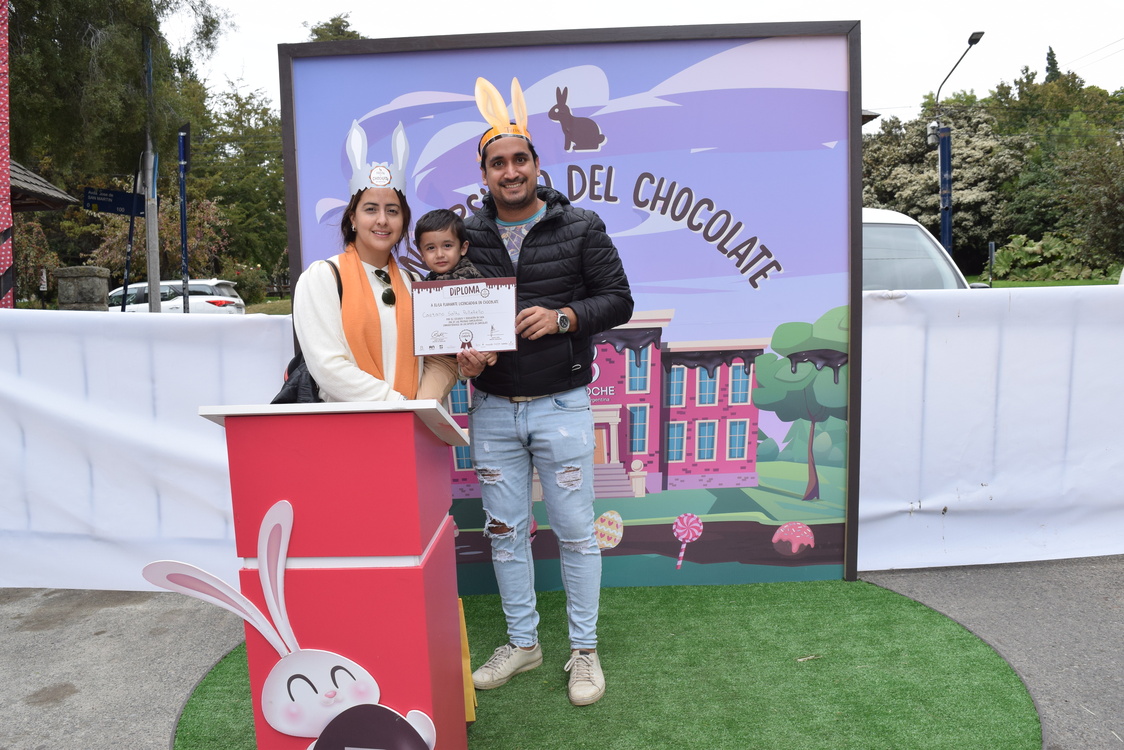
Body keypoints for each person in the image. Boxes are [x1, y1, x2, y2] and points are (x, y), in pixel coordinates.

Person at [463, 77, 633, 707]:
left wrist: (564, 317)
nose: (510, 172)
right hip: (491, 408)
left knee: (576, 531)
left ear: (537, 163)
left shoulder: (580, 225)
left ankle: (583, 650)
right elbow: (447, 310)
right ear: (484, 172)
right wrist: (461, 352)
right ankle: (523, 643)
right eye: (498, 163)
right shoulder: (466, 234)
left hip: (562, 404)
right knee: (505, 532)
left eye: (520, 159)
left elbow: (618, 300)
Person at [294, 122, 470, 402]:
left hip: (411, 424)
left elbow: (436, 358)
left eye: (392, 211)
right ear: (353, 218)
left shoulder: (415, 283)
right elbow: (327, 366)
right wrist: (399, 406)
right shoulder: (323, 277)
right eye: (370, 209)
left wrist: (460, 370)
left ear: (403, 220)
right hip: (350, 423)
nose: (382, 220)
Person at [414, 209, 485, 281]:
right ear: (422, 254)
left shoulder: (471, 280)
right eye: (431, 248)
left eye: (447, 246)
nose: (439, 255)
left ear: (463, 248)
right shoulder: (428, 280)